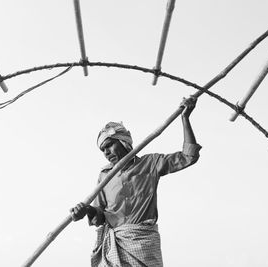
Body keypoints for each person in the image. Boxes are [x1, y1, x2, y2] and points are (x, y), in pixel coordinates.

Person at [70, 96, 202, 267]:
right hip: (115, 248)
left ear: (123, 142)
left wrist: (185, 118)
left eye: (110, 145)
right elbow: (100, 217)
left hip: (144, 244)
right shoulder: (104, 176)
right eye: (103, 149)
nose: (107, 152)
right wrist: (86, 210)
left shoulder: (150, 164)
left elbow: (189, 156)